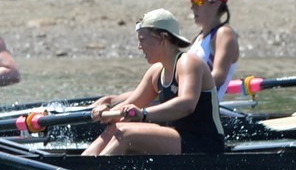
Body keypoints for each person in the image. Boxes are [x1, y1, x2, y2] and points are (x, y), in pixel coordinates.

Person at [83, 9, 226, 156]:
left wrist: (143, 114)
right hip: (177, 139)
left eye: (142, 39)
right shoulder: (156, 72)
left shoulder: (188, 62)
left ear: (162, 38)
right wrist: (106, 113)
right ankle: (83, 164)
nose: (139, 47)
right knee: (114, 127)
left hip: (205, 145)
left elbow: (187, 104)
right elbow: (129, 105)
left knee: (125, 133)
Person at [183, 0, 239, 91]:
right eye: (192, 2)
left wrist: (184, 91)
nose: (192, 7)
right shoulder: (198, 38)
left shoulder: (224, 34)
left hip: (203, 106)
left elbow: (218, 76)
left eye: (198, 2)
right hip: (188, 102)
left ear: (215, 3)